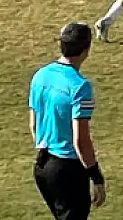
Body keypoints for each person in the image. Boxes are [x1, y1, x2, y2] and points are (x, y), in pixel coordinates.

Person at [29, 22, 105, 220]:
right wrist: (96, 176)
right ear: (86, 50)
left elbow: (34, 125)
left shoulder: (41, 75)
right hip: (67, 169)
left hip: (42, 166)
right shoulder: (80, 87)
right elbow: (81, 140)